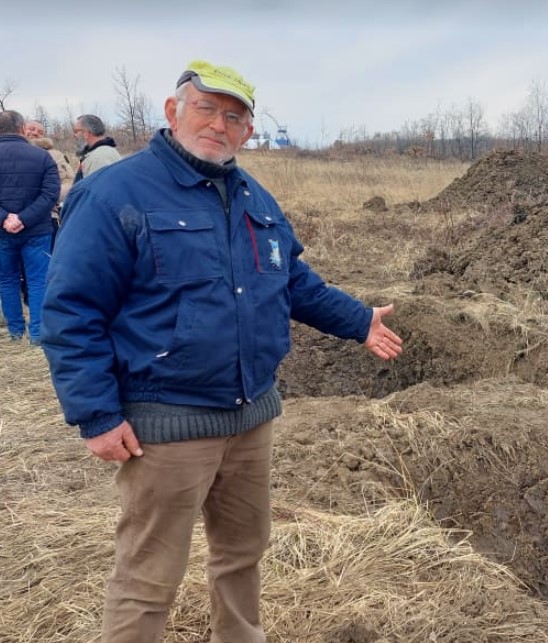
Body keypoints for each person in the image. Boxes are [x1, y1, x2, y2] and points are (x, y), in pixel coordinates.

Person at [41, 60, 403, 642]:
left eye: (234, 116)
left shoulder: (255, 196)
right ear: (172, 110)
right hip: (167, 425)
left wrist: (358, 320)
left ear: (248, 131)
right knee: (148, 575)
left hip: (249, 418)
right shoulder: (114, 194)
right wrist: (97, 416)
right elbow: (70, 311)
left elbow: (295, 283)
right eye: (206, 108)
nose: (218, 124)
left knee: (242, 554)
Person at [0, 110, 59, 345]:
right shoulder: (43, 157)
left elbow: (49, 192)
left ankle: (16, 332)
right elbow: (50, 194)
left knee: (7, 280)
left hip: (2, 232)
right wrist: (23, 218)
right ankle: (37, 334)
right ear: (23, 128)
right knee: (37, 280)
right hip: (36, 231)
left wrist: (6, 219)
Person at [25, 120, 74, 241]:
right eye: (31, 129)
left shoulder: (55, 155)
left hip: (46, 218)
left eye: (40, 132)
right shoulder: (5, 150)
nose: (35, 133)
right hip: (7, 220)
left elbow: (69, 182)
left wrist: (46, 199)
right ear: (21, 129)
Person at [72, 114, 121, 182]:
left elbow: (100, 190)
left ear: (86, 133)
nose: (75, 135)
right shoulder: (98, 153)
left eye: (76, 131)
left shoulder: (99, 158)